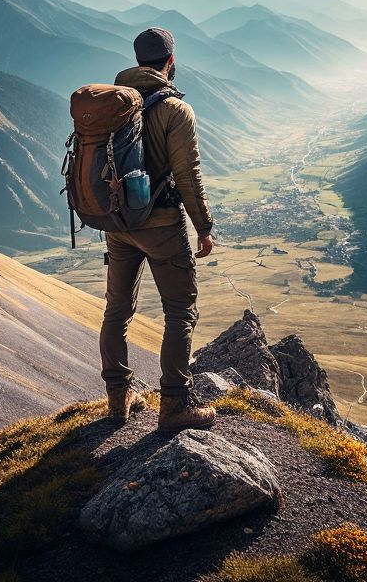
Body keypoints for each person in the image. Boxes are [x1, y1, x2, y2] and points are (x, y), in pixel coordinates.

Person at [101, 27, 217, 433]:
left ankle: (118, 399)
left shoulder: (113, 102)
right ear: (170, 62)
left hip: (118, 225)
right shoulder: (175, 111)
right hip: (163, 225)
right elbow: (188, 174)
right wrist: (203, 227)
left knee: (117, 310)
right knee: (180, 310)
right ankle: (174, 405)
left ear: (137, 62)